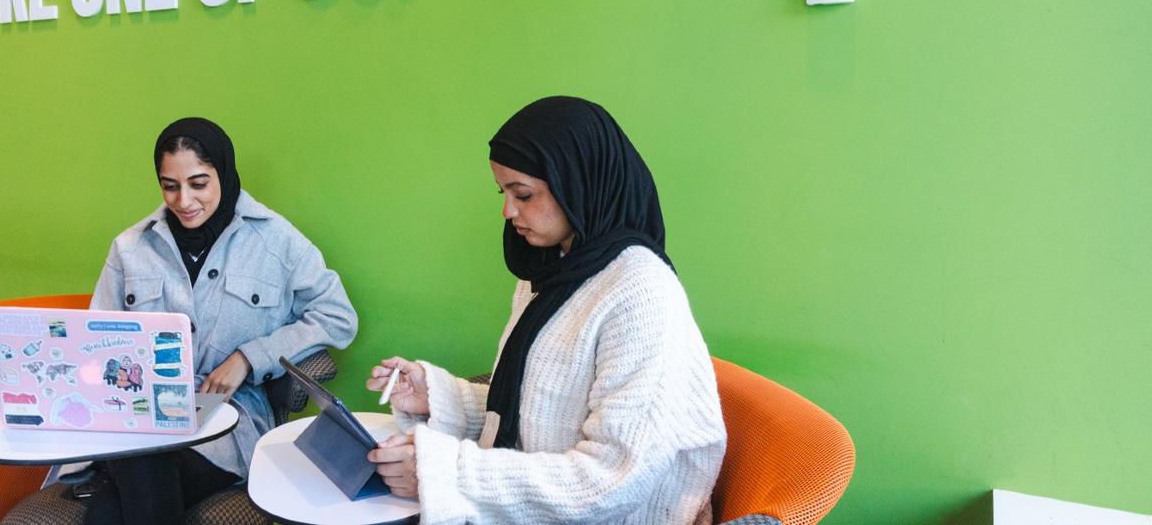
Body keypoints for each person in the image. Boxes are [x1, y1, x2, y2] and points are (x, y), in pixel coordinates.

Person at [365, 96, 726, 525]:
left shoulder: (640, 294)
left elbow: (611, 482)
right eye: (503, 192)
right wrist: (438, 397)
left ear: (580, 183)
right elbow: (540, 410)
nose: (507, 211)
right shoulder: (550, 271)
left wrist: (445, 473)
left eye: (524, 194)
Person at [86, 117, 358, 525]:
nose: (183, 201)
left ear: (224, 174)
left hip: (224, 420)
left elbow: (337, 316)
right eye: (170, 185)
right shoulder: (130, 247)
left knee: (128, 483)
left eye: (199, 183)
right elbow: (95, 336)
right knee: (127, 482)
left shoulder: (274, 240)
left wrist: (250, 357)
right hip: (140, 416)